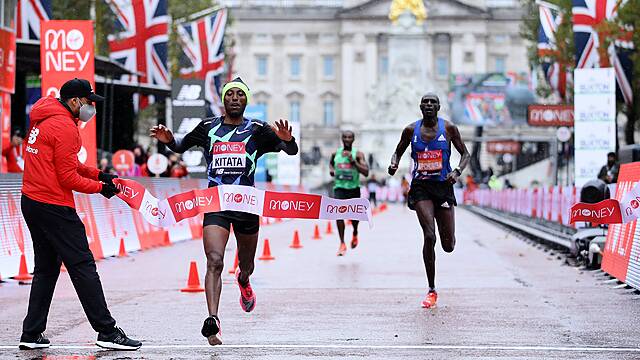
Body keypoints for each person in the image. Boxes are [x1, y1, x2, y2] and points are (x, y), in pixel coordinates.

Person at [150, 77, 298, 346]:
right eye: (230, 94)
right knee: (215, 261)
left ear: (246, 101)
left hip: (247, 207)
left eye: (240, 95)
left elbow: (290, 150)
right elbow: (181, 145)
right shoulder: (208, 127)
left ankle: (244, 281)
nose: (234, 98)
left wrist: (288, 141)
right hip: (216, 204)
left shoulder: (257, 129)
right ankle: (213, 320)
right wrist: (169, 139)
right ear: (223, 99)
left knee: (247, 264)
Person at [19, 78, 141, 350]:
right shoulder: (64, 126)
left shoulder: (45, 116)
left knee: (47, 270)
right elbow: (67, 178)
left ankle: (31, 332)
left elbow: (70, 162)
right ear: (74, 101)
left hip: (31, 201)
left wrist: (99, 174)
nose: (90, 109)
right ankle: (107, 332)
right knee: (83, 266)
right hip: (54, 205)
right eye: (87, 103)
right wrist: (102, 188)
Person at [388, 93, 470, 309]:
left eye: (433, 102)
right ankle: (431, 289)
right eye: (425, 102)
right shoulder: (410, 130)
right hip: (421, 187)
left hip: (443, 187)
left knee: (448, 245)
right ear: (420, 107)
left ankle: (448, 237)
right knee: (429, 235)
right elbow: (397, 152)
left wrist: (457, 171)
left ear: (439, 107)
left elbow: (466, 154)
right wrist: (393, 164)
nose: (429, 105)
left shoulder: (449, 129)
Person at [329, 131, 369, 256]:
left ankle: (355, 232)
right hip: (339, 188)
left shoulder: (358, 154)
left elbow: (366, 172)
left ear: (353, 139)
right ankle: (342, 243)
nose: (347, 139)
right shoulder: (335, 153)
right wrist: (331, 171)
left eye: (350, 137)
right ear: (342, 139)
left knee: (354, 218)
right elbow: (331, 164)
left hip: (354, 189)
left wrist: (354, 162)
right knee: (338, 215)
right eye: (345, 137)